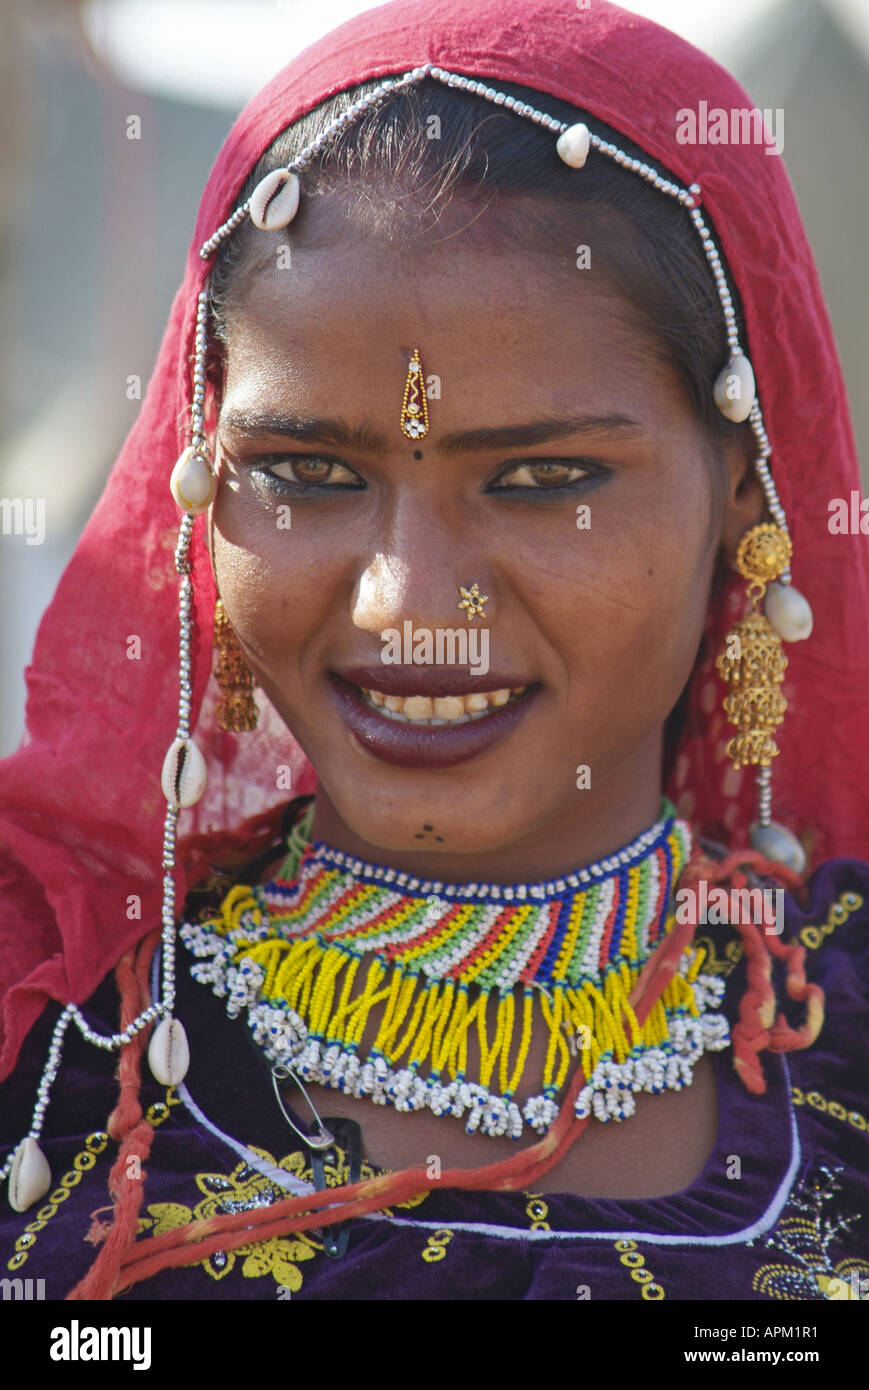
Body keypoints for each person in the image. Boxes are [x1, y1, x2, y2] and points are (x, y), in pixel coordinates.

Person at [1, 0, 867, 1303]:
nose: (409, 598)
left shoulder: (839, 1032)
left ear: (741, 497)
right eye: (303, 472)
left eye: (539, 477)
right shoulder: (42, 1021)